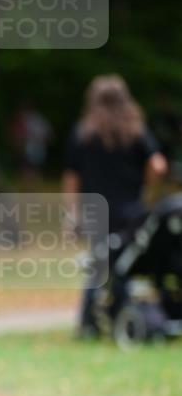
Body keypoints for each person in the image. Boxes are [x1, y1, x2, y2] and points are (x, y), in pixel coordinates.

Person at [62, 74, 168, 337]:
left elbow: (72, 177)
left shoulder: (83, 133)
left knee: (101, 264)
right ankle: (117, 311)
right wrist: (148, 192)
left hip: (95, 212)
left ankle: (91, 321)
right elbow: (158, 165)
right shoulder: (135, 131)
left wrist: (72, 213)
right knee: (120, 261)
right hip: (130, 212)